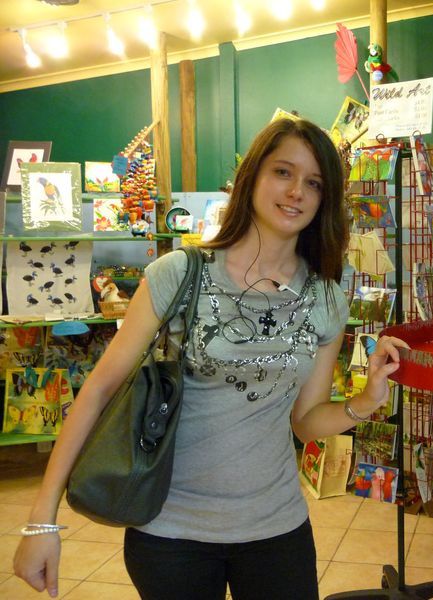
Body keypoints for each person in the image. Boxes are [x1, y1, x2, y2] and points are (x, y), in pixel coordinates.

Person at [13, 117, 409, 600]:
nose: (297, 192)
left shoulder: (326, 298)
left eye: (314, 183)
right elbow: (96, 392)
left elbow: (305, 422)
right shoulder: (177, 275)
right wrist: (40, 522)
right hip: (169, 534)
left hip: (276, 530)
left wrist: (364, 402)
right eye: (283, 172)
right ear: (253, 178)